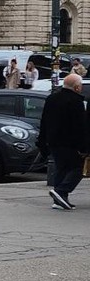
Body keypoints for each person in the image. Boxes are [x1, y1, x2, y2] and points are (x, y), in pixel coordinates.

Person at [38, 70, 87, 210]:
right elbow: (79, 126)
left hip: (53, 140)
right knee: (77, 168)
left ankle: (59, 200)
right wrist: (83, 147)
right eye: (80, 85)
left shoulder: (51, 98)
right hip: (69, 142)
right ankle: (61, 191)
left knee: (62, 168)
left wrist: (42, 140)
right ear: (76, 87)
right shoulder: (76, 101)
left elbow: (44, 121)